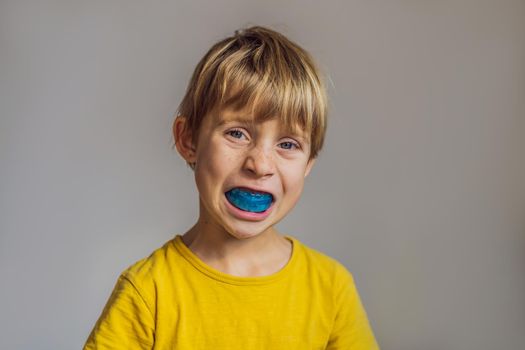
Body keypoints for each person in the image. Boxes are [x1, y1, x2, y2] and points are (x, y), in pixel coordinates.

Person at [84, 25, 379, 349]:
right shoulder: (147, 291)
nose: (260, 165)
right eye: (237, 133)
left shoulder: (332, 289)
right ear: (188, 139)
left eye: (288, 144)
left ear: (309, 163)